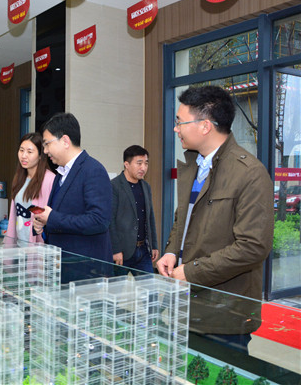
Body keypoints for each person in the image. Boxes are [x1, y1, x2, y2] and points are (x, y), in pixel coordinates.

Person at [156, 85, 273, 342]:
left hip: (224, 314)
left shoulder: (249, 173)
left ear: (205, 126)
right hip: (186, 307)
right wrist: (171, 251)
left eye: (180, 122)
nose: (175, 129)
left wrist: (191, 272)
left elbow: (252, 247)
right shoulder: (194, 165)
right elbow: (184, 218)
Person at [32, 112, 113, 282]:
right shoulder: (61, 174)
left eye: (47, 144)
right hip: (63, 268)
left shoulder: (93, 170)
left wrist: (52, 218)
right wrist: (45, 224)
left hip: (86, 272)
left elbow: (99, 221)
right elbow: (63, 215)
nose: (45, 151)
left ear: (65, 141)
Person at [110, 145, 159, 276]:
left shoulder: (146, 186)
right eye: (139, 163)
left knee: (149, 288)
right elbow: (110, 221)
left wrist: (154, 245)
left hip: (143, 250)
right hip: (122, 252)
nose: (143, 168)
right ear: (126, 164)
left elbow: (150, 217)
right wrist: (115, 250)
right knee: (117, 288)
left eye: (146, 163)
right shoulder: (114, 186)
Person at [5, 133, 55, 244]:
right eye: (21, 150)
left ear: (41, 155)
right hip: (19, 245)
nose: (23, 155)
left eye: (30, 152)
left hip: (38, 247)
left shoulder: (50, 179)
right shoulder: (19, 178)